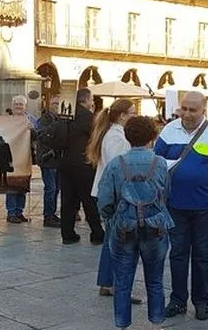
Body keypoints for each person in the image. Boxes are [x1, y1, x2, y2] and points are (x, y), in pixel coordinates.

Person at [155, 91, 208, 321]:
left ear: (203, 110)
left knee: (203, 255)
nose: (187, 114)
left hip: (205, 206)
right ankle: (178, 300)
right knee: (177, 254)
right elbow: (156, 160)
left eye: (193, 110)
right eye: (184, 109)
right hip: (175, 205)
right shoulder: (169, 130)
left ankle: (201, 301)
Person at [97, 116, 173, 330]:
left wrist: (110, 220)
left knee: (122, 281)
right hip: (155, 226)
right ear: (153, 137)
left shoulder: (116, 164)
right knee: (155, 279)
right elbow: (166, 193)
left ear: (128, 137)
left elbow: (105, 199)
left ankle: (122, 324)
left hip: (123, 226)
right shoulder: (160, 163)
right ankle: (156, 323)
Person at [87, 99, 139, 300]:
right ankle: (114, 284)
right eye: (132, 113)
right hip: (116, 195)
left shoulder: (113, 134)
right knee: (119, 242)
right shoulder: (116, 137)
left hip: (110, 193)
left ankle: (108, 282)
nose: (134, 116)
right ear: (122, 115)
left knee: (113, 240)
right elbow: (119, 167)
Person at [59, 89, 104, 242]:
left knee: (68, 200)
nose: (93, 102)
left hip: (64, 162)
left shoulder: (65, 114)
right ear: (86, 100)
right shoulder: (88, 117)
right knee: (89, 200)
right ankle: (97, 234)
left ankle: (67, 234)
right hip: (83, 163)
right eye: (92, 99)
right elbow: (97, 137)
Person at [7, 95, 38, 224]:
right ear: (12, 106)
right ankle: (11, 212)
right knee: (11, 185)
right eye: (16, 104)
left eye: (21, 104)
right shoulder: (7, 120)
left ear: (25, 106)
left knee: (23, 183)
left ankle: (20, 211)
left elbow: (38, 136)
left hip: (25, 156)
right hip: (11, 157)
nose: (19, 106)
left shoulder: (30, 119)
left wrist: (33, 129)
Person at [37, 95, 62, 228]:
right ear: (49, 105)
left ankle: (52, 214)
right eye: (54, 104)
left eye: (58, 104)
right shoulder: (45, 119)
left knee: (56, 188)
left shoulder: (59, 119)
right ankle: (48, 216)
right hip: (48, 159)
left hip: (57, 160)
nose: (56, 106)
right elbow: (43, 135)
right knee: (51, 189)